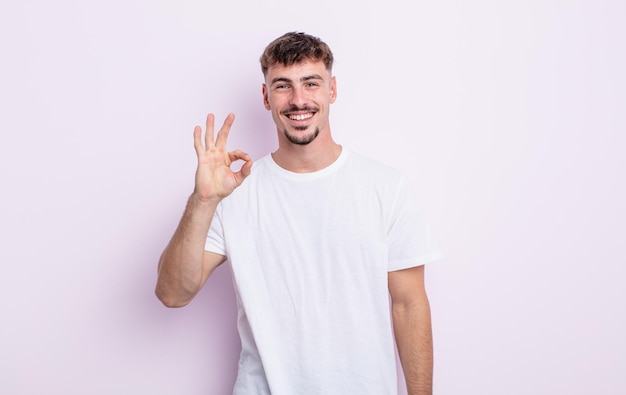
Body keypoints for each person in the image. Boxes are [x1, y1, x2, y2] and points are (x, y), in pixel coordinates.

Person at [155, 31, 441, 395]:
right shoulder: (235, 191)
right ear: (265, 97)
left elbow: (409, 304)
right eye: (282, 86)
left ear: (332, 90)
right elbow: (172, 294)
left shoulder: (387, 187)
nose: (298, 99)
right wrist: (203, 199)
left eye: (311, 83)